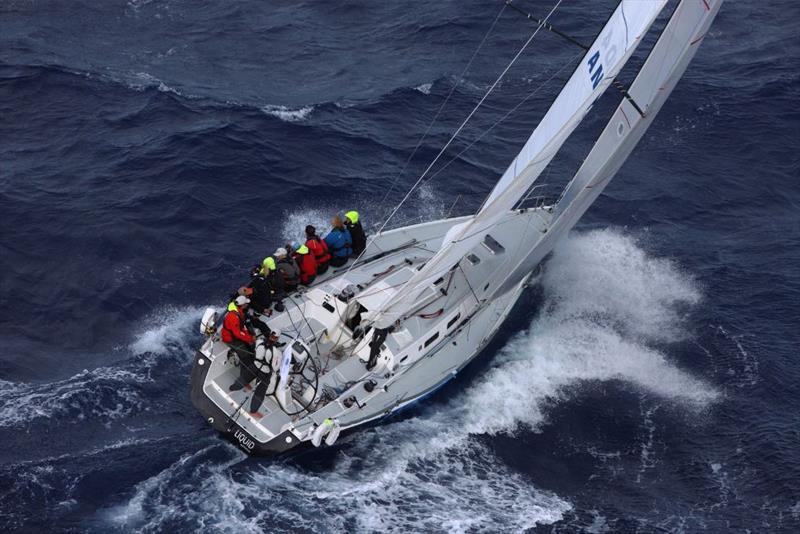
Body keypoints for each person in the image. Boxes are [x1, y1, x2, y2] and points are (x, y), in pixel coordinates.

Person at [222, 295, 257, 391]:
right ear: (242, 305)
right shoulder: (234, 317)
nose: (247, 304)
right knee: (245, 357)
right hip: (230, 339)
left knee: (250, 348)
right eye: (246, 303)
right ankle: (243, 381)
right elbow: (237, 333)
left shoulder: (238, 312)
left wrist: (249, 337)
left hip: (235, 336)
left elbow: (241, 329)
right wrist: (250, 338)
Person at [249, 330, 282, 416]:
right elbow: (275, 368)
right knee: (260, 392)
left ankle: (234, 387)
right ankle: (253, 411)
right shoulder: (277, 352)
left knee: (245, 376)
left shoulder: (259, 341)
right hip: (264, 373)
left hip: (254, 366)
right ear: (277, 339)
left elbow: (254, 350)